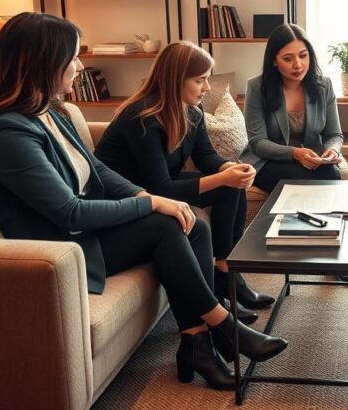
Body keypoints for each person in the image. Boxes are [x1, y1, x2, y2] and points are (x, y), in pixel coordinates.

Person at [0, 12, 287, 392]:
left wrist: (143, 196)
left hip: (84, 229)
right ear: (43, 61)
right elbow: (69, 211)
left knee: (189, 221)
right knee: (167, 224)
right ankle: (224, 327)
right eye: (72, 56)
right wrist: (151, 204)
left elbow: (96, 170)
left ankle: (197, 343)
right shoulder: (6, 132)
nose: (79, 65)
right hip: (62, 244)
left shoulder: (51, 113)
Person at [95, 41, 274, 324]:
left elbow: (207, 157)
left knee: (231, 186)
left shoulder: (191, 111)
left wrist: (230, 168)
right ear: (175, 79)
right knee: (224, 183)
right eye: (200, 80)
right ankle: (220, 290)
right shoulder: (141, 118)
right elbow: (161, 188)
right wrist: (223, 177)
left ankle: (225, 272)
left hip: (158, 184)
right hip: (132, 197)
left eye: (207, 80)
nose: (206, 88)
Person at [240, 24, 348, 282]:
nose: (298, 64)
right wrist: (295, 153)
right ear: (274, 60)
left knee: (330, 170)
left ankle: (335, 246)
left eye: (303, 55)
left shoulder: (323, 85)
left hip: (312, 159)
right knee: (300, 173)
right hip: (268, 161)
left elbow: (335, 134)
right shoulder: (257, 87)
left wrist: (332, 151)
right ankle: (300, 246)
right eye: (288, 58)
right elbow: (258, 142)